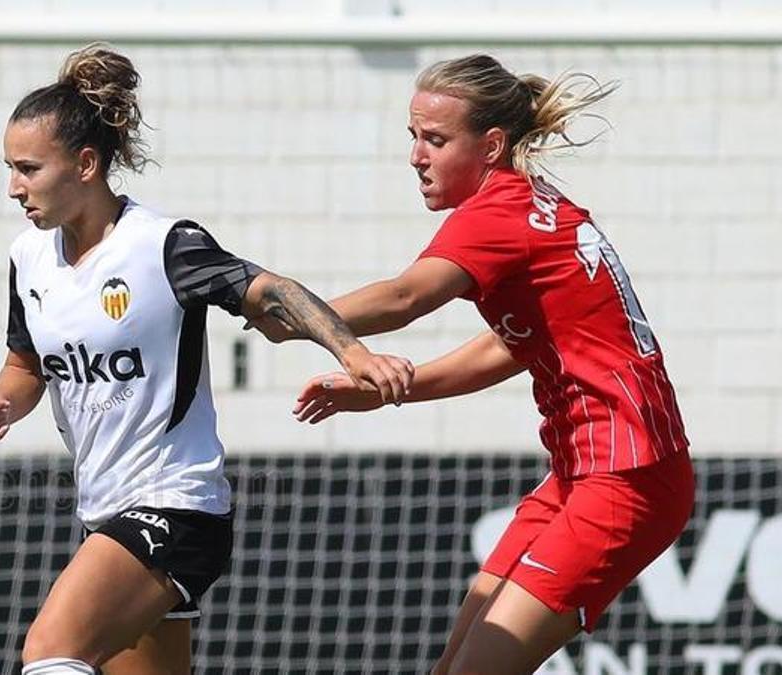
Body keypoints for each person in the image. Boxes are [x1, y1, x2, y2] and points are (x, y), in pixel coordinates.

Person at [0, 43, 413, 675]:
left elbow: (275, 291)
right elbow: (25, 363)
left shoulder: (163, 246)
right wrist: (4, 404)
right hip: (104, 512)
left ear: (86, 164)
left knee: (51, 649)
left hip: (176, 508)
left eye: (29, 169)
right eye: (10, 169)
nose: (14, 187)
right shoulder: (28, 258)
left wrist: (353, 352)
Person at [255, 54, 695, 675]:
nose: (416, 157)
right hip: (585, 470)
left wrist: (292, 313)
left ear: (491, 146)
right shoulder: (527, 202)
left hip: (626, 476)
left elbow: (406, 298)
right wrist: (388, 392)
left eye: (435, 140)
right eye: (414, 137)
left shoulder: (498, 213)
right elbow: (510, 346)